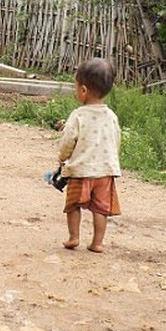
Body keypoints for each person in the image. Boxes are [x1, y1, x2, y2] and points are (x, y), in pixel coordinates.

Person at [52, 57, 121, 253]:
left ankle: (74, 237)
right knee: (101, 209)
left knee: (73, 205)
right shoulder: (111, 116)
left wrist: (62, 158)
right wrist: (111, 161)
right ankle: (97, 242)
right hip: (105, 171)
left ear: (83, 90)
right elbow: (115, 140)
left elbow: (68, 141)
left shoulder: (78, 115)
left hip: (80, 170)